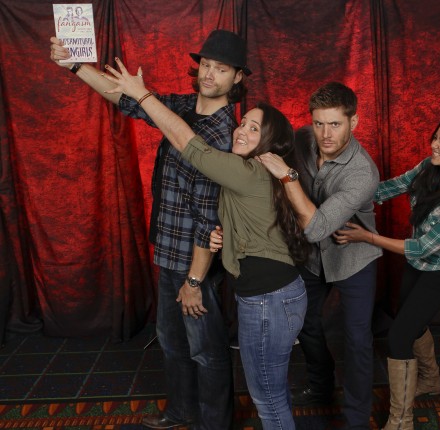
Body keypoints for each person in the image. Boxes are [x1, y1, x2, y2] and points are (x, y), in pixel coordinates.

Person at [50, 29, 250, 430]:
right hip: (170, 251)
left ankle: (215, 424)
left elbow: (208, 217)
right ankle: (181, 412)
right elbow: (127, 99)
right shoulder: (186, 107)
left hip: (197, 261)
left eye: (221, 68)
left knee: (206, 350)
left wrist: (194, 280)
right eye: (205, 64)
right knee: (173, 343)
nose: (209, 74)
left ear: (238, 77)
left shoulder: (221, 135)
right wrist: (74, 65)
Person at [101, 57, 311, 430]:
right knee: (270, 393)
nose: (240, 131)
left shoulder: (246, 170)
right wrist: (221, 238)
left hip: (270, 299)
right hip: (270, 294)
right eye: (243, 124)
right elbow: (242, 226)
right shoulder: (254, 170)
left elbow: (189, 144)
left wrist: (143, 94)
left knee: (268, 399)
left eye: (253, 128)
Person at [332, 115, 440, 430]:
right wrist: (345, 196)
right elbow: (390, 188)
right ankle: (431, 380)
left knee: (399, 335)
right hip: (418, 264)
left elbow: (421, 247)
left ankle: (401, 420)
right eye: (435, 138)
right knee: (409, 321)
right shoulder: (430, 167)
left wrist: (367, 237)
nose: (433, 145)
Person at [257, 82, 382, 430]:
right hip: (312, 257)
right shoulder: (302, 139)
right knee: (304, 323)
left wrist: (288, 177)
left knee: (357, 341)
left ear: (354, 122)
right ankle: (321, 387)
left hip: (354, 258)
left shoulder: (363, 172)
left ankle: (356, 420)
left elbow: (316, 227)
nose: (326, 134)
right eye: (319, 123)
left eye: (335, 124)